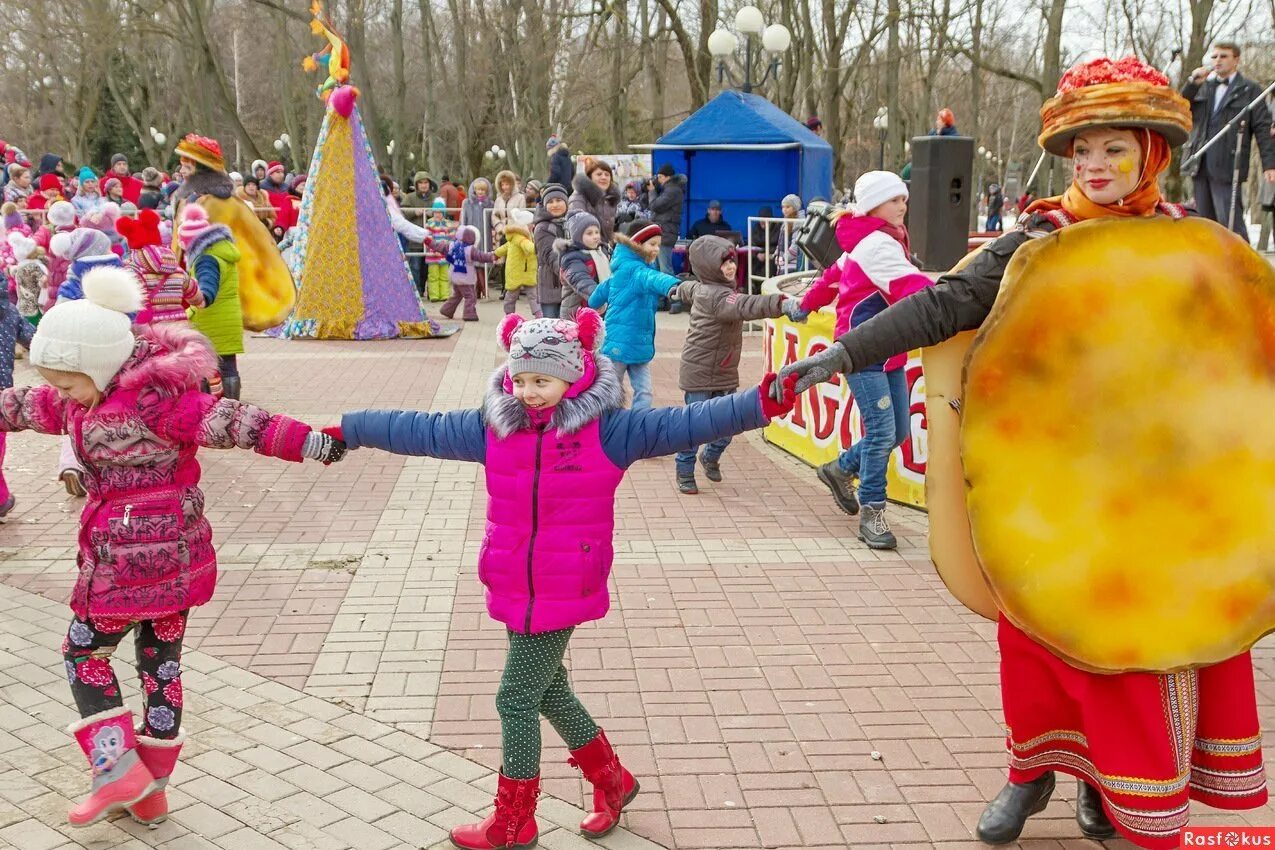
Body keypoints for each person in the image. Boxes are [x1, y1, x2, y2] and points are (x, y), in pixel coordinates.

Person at [778, 56, 1268, 849]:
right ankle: (1030, 770)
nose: (1095, 166)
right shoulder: (1038, 238)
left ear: (1150, 151)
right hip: (1055, 487)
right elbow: (944, 305)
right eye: (1082, 152)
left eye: (1113, 148)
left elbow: (1244, 355)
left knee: (1138, 648)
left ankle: (1110, 790)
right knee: (1036, 643)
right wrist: (840, 356)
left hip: (1160, 498)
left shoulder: (1197, 249)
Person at [334, 309, 797, 850]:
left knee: (514, 698)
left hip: (564, 585)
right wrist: (352, 427)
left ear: (573, 376)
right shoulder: (494, 426)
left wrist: (760, 403)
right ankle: (612, 781)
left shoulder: (611, 431)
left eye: (543, 381)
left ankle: (515, 820)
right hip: (513, 581)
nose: (529, 392)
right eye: (521, 379)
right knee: (548, 690)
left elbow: (685, 424)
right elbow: (419, 429)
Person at [0, 265, 342, 830]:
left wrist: (307, 440)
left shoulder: (156, 402)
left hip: (126, 562)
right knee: (161, 666)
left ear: (98, 366)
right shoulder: (82, 401)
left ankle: (117, 771)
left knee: (83, 654)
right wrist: (307, 442)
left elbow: (238, 422)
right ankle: (151, 793)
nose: (62, 394)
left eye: (68, 382)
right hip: (177, 560)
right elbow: (19, 404)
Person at [798, 172, 934, 549]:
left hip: (888, 349)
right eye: (894, 200)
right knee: (881, 433)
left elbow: (831, 277)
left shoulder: (875, 240)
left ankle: (839, 469)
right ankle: (872, 511)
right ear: (873, 205)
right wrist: (957, 303)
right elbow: (912, 286)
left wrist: (807, 304)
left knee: (899, 432)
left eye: (904, 200)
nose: (902, 206)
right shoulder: (876, 244)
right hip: (861, 350)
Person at [670, 235, 809, 494]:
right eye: (723, 263)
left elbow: (690, 288)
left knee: (729, 426)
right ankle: (684, 468)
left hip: (723, 370)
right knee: (694, 426)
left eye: (731, 261)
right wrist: (784, 304)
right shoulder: (719, 296)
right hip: (699, 371)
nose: (730, 267)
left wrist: (678, 288)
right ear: (710, 268)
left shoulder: (707, 287)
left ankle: (710, 456)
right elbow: (749, 305)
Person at [1182, 41, 1275, 238]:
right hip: (1199, 162)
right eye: (1214, 57)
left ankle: (1243, 265)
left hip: (1228, 164)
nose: (1217, 61)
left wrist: (1269, 164)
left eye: (1223, 56)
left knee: (1230, 221)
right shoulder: (1201, 87)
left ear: (1236, 60)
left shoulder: (1249, 90)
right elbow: (1179, 106)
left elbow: (1263, 128)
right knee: (1203, 222)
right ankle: (1210, 266)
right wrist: (1191, 84)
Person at [587, 220, 679, 410]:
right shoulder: (636, 270)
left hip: (638, 343)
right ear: (637, 244)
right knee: (615, 387)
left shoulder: (627, 269)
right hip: (619, 342)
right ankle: (609, 422)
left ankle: (638, 424)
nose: (656, 249)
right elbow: (652, 279)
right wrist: (675, 285)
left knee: (642, 390)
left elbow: (599, 293)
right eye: (652, 244)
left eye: (658, 245)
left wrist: (595, 302)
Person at [176, 205, 244, 400]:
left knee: (209, 368)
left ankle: (214, 407)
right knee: (228, 365)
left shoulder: (206, 260)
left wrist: (197, 299)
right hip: (227, 316)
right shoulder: (222, 252)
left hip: (212, 320)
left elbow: (207, 291)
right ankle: (232, 406)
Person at [117, 209, 203, 325]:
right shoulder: (176, 268)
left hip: (150, 333)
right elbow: (197, 298)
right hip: (179, 329)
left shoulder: (132, 271)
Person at [558, 212, 610, 320]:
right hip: (576, 313)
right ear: (578, 237)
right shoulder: (571, 258)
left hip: (596, 310)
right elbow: (581, 280)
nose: (595, 236)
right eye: (589, 233)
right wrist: (600, 295)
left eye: (597, 232)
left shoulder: (601, 252)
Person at [440, 225, 496, 321]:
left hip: (454, 275)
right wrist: (491, 256)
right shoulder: (470, 249)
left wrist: (430, 243)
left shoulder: (453, 245)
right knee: (470, 296)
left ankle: (447, 310)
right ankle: (469, 314)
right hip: (465, 278)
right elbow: (481, 256)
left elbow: (440, 247)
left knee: (457, 295)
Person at [495, 208, 539, 317]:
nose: (533, 226)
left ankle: (509, 315)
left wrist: (495, 254)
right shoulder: (521, 238)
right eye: (530, 224)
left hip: (522, 271)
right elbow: (529, 247)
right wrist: (538, 248)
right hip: (521, 271)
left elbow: (505, 247)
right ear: (524, 225)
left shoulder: (517, 237)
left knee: (513, 295)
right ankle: (538, 315)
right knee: (525, 295)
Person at [533, 183, 569, 318]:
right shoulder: (543, 227)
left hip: (569, 287)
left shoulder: (571, 222)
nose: (555, 205)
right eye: (551, 202)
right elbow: (551, 254)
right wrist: (570, 274)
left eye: (559, 200)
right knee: (551, 330)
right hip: (551, 287)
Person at [400, 172, 438, 293]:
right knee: (415, 266)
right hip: (414, 239)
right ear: (416, 185)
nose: (423, 185)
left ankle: (427, 288)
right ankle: (417, 290)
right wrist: (413, 212)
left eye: (426, 182)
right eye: (421, 183)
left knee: (428, 267)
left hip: (431, 239)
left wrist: (434, 213)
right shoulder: (409, 197)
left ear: (429, 184)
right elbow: (403, 211)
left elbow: (443, 211)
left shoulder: (435, 198)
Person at [569, 158, 620, 244]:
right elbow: (576, 228)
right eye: (599, 174)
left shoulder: (611, 200)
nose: (603, 177)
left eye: (607, 175)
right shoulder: (579, 197)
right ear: (590, 177)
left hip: (605, 251)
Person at [648, 163, 685, 274]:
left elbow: (655, 206)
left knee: (665, 269)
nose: (658, 180)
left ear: (667, 177)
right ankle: (661, 291)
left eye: (660, 177)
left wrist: (652, 191)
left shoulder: (672, 190)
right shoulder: (668, 190)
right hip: (663, 232)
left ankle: (670, 290)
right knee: (658, 268)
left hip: (665, 233)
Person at [462, 178, 495, 297]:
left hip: (485, 237)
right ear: (474, 190)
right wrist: (463, 233)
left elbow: (492, 220)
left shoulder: (490, 203)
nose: (480, 192)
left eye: (483, 190)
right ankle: (479, 291)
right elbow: (463, 219)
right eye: (478, 189)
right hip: (472, 236)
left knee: (482, 263)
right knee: (474, 264)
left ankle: (480, 290)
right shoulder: (467, 202)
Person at [424, 198, 456, 301]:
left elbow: (452, 238)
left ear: (443, 213)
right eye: (436, 212)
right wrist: (432, 250)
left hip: (444, 255)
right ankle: (434, 295)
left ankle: (445, 295)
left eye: (440, 212)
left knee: (445, 276)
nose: (437, 214)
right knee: (433, 276)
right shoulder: (429, 224)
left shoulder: (448, 224)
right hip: (432, 255)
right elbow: (427, 238)